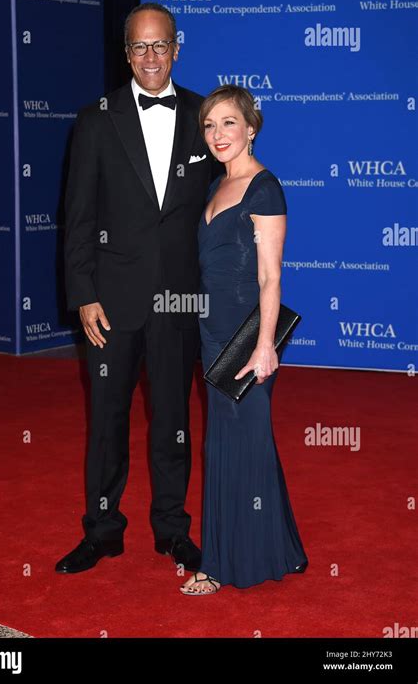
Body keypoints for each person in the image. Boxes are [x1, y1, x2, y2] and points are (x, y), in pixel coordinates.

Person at [56, 2, 221, 575]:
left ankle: (173, 530)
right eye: (139, 47)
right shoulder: (96, 119)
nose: (151, 57)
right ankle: (102, 530)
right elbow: (77, 217)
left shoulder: (206, 115)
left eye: (160, 45)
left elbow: (231, 200)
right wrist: (83, 294)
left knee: (174, 419)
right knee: (107, 422)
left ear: (177, 47)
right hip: (112, 299)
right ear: (126, 53)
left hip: (178, 300)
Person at [180, 85, 308, 594]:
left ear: (250, 127)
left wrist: (264, 345)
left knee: (244, 439)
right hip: (211, 329)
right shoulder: (216, 185)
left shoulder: (264, 188)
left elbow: (271, 277)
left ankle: (225, 563)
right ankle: (278, 547)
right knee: (227, 441)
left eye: (228, 123)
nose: (217, 134)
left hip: (248, 331)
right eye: (209, 125)